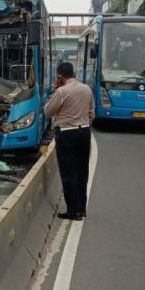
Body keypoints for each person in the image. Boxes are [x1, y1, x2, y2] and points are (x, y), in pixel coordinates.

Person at [45, 62, 94, 221]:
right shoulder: (86, 89)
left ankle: (72, 211)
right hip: (85, 132)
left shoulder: (61, 91)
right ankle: (81, 209)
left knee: (68, 173)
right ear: (73, 73)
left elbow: (48, 111)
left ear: (60, 76)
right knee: (82, 171)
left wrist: (55, 89)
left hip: (67, 134)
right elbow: (92, 113)